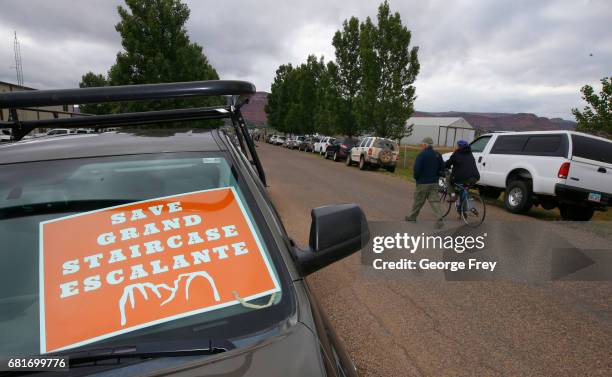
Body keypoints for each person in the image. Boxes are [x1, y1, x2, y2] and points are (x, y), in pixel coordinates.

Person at [405, 137, 445, 228]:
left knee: (418, 201)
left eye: (422, 144)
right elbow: (442, 168)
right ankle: (439, 219)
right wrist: (437, 176)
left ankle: (412, 217)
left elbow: (417, 169)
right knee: (435, 201)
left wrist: (417, 178)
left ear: (425, 145)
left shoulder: (421, 155)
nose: (421, 145)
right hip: (434, 182)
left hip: (422, 182)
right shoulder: (437, 155)